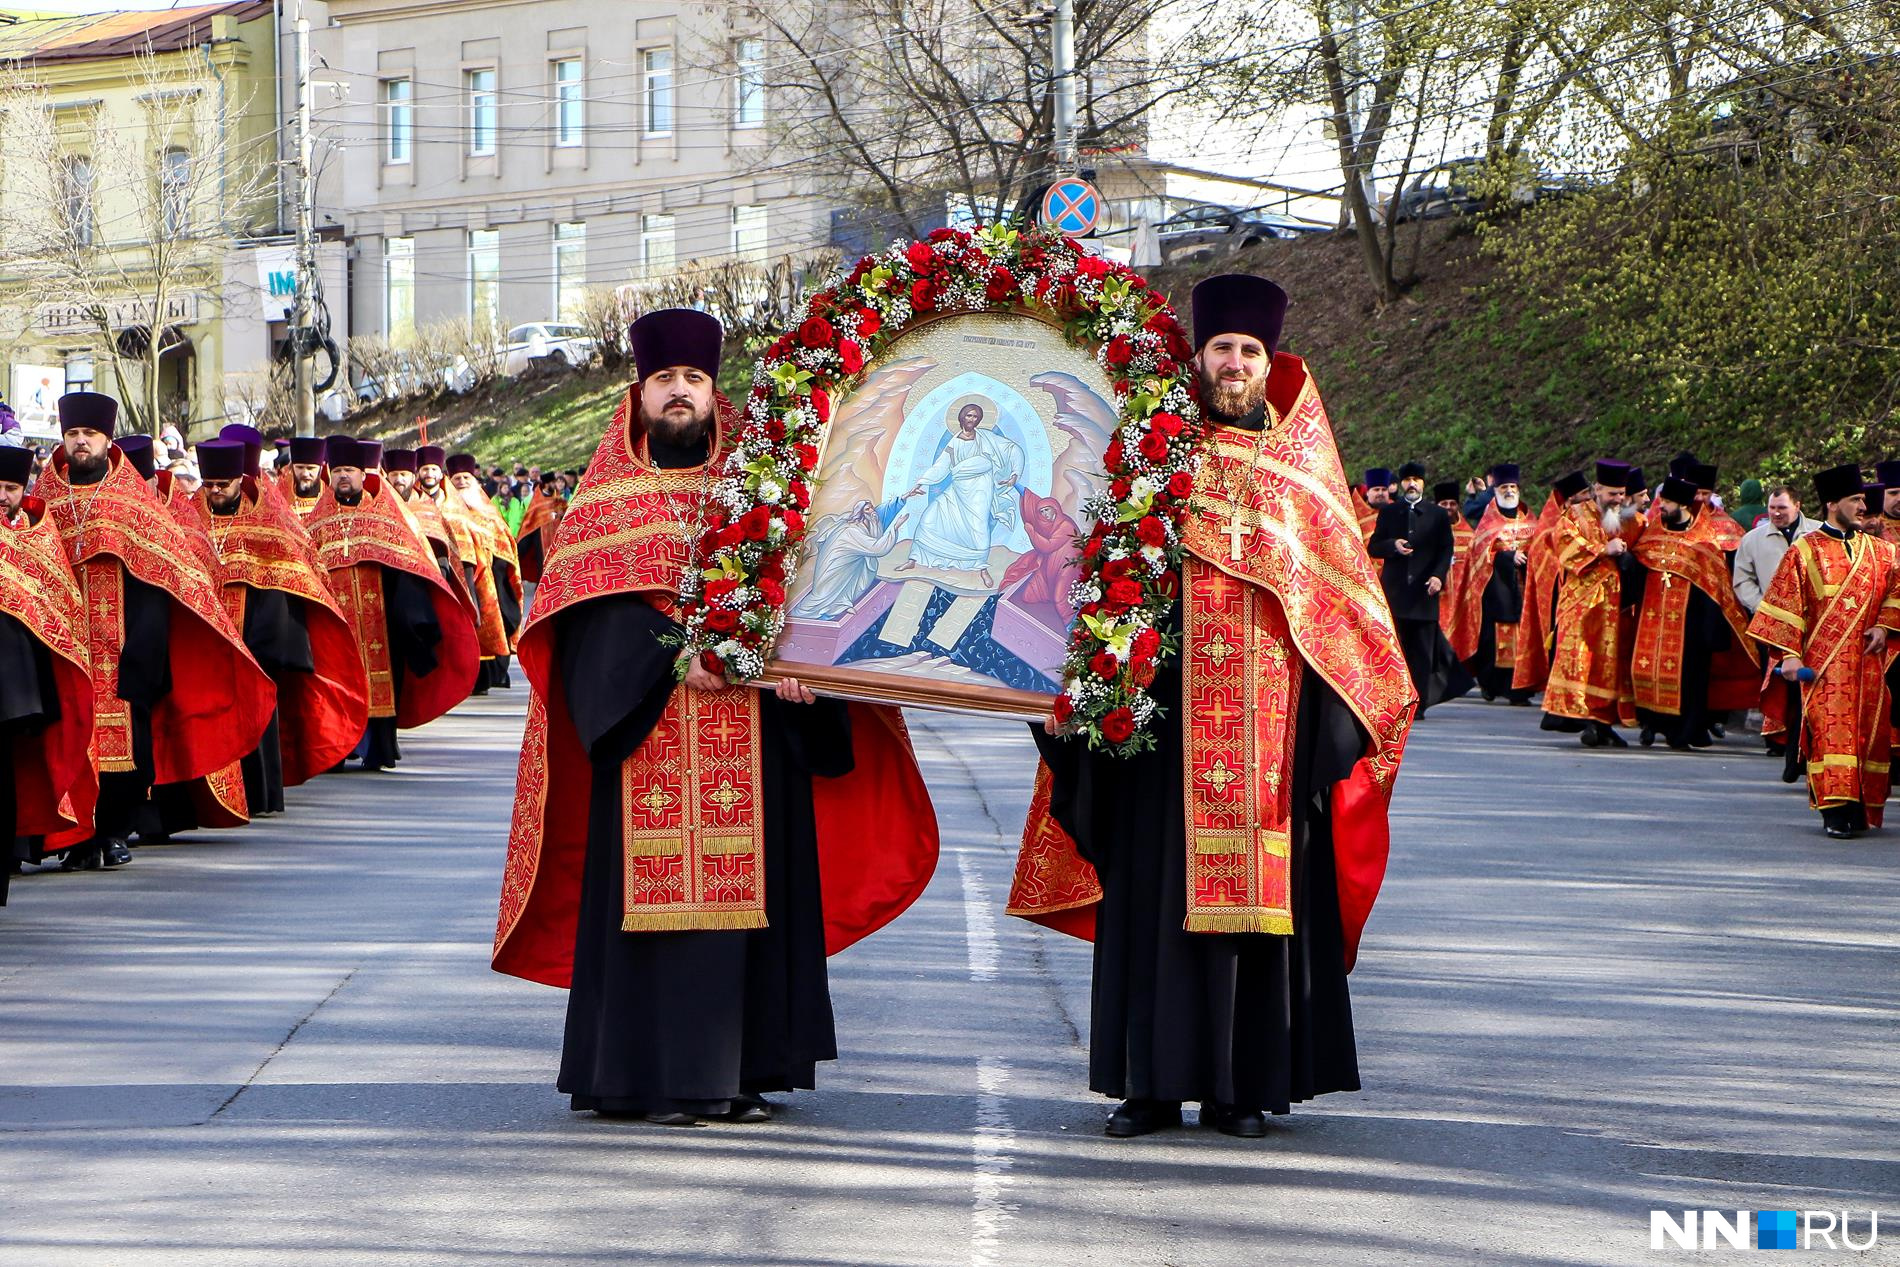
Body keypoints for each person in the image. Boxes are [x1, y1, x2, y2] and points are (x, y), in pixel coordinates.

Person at [491, 308, 939, 1125]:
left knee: (759, 893)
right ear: (640, 391)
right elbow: (589, 628)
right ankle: (650, 1073)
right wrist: (674, 660)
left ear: (713, 391)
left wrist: (807, 676)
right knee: (650, 900)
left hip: (755, 738)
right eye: (665, 379)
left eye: (693, 380)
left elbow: (819, 593)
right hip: (647, 738)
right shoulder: (605, 503)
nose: (679, 394)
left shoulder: (764, 488)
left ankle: (744, 1066)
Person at [1012, 273, 1415, 1139]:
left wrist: (1340, 718)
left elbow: (1345, 605)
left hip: (1272, 732)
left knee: (1260, 902)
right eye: (1221, 349)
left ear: (1270, 364)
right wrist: (1074, 681)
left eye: (1248, 352)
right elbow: (1088, 574)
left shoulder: (1305, 479)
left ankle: (1241, 1087)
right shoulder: (1151, 455)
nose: (1233, 364)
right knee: (1155, 896)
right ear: (1197, 358)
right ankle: (1149, 1085)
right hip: (1160, 725)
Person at [33, 393, 273, 870]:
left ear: (106, 440)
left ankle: (113, 831)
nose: (81, 444)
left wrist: (144, 648)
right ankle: (74, 835)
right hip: (63, 642)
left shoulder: (131, 498)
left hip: (122, 642)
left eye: (90, 436)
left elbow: (163, 573)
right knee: (66, 739)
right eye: (73, 435)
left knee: (126, 746)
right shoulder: (45, 496)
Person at [194, 440, 368, 812]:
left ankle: (260, 795)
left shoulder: (266, 522)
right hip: (207, 641)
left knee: (257, 718)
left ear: (239, 481)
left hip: (255, 638)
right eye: (209, 485)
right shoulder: (190, 518)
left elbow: (285, 581)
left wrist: (261, 643)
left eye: (222, 485)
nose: (215, 492)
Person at [305, 437, 479, 771]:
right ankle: (338, 750)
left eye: (350, 471)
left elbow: (411, 561)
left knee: (382, 683)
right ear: (330, 474)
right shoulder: (315, 523)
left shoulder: (385, 515)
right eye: (338, 470)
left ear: (362, 475)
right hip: (337, 624)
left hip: (380, 621)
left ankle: (378, 750)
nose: (344, 477)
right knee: (337, 685)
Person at [1748, 464, 1900, 838]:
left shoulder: (1882, 552)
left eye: (1864, 499)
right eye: (1855, 500)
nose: (1863, 506)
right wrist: (1789, 656)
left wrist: (1883, 625)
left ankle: (1861, 805)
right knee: (1832, 735)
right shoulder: (1805, 551)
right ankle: (1835, 810)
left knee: (1868, 734)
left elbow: (1896, 593)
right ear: (1833, 504)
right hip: (1824, 666)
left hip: (1868, 666)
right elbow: (1785, 606)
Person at [0, 449, 94, 903]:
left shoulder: (40, 539)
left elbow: (62, 610)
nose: (3, 497)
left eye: (11, 489)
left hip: (19, 689)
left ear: (24, 491)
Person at [1627, 476, 1760, 749]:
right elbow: (1637, 567)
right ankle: (1651, 724)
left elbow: (1717, 588)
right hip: (1651, 619)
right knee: (1646, 670)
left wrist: (1708, 629)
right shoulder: (1652, 533)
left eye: (1667, 502)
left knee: (1688, 678)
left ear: (1684, 505)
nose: (1660, 506)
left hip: (1688, 625)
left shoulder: (1703, 542)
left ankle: (1683, 730)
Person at [1542, 460, 1641, 748]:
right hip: (1582, 604)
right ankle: (1584, 719)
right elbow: (1561, 544)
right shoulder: (1575, 515)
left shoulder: (1628, 518)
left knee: (1608, 665)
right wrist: (1602, 550)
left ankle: (1603, 722)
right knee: (1581, 660)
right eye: (1613, 493)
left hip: (1614, 606)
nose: (1618, 499)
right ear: (1597, 489)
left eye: (1622, 493)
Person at [1368, 463, 1466, 715]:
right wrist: (1393, 545)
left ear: (1423, 484)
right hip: (1396, 592)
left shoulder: (1437, 515)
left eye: (1417, 480)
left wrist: (1437, 576)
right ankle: (1395, 699)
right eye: (1408, 480)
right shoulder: (1390, 512)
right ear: (1401, 484)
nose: (1412, 484)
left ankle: (1419, 704)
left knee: (1422, 652)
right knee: (1396, 649)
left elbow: (1446, 550)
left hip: (1425, 593)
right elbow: (1374, 546)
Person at [897, 397, 1023, 587]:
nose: (972, 419)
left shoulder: (986, 438)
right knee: (931, 517)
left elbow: (1012, 449)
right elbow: (941, 466)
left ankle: (982, 568)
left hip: (980, 488)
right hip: (958, 488)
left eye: (976, 416)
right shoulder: (954, 442)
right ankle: (914, 559)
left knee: (977, 526)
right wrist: (921, 483)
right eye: (969, 415)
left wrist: (1014, 474)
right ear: (961, 418)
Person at [1733, 486, 1818, 759]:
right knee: (1774, 681)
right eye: (1772, 508)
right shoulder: (1753, 539)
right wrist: (1761, 607)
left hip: (1811, 623)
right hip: (1770, 623)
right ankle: (1776, 738)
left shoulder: (1817, 534)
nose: (1776, 513)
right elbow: (1742, 578)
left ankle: (1806, 739)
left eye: (1782, 508)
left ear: (1797, 505)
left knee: (1806, 682)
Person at [1453, 463, 1539, 704]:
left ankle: (1520, 689)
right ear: (1496, 489)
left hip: (1522, 588)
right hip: (1496, 589)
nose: (1509, 491)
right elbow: (1480, 551)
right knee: (1495, 641)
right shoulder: (1489, 520)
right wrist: (1507, 556)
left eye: (1513, 486)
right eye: (1504, 487)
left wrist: (1528, 556)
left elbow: (1540, 547)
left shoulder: (1529, 517)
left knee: (1523, 638)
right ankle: (1492, 683)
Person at [447, 453, 524, 691]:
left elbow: (505, 542)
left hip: (494, 576)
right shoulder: (446, 511)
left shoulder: (488, 511)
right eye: (456, 478)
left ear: (475, 480)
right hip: (461, 577)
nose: (461, 482)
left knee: (499, 619)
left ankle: (495, 673)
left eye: (466, 477)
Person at [1436, 480, 1473, 649]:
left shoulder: (1469, 534)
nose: (1448, 507)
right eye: (1444, 503)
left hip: (1463, 598)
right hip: (1439, 598)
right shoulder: (1427, 531)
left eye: (1452, 503)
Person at [284, 436, 327, 518]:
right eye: (300, 467)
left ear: (320, 469)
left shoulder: (331, 497)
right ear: (292, 467)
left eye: (311, 468)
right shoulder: (280, 497)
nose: (305, 473)